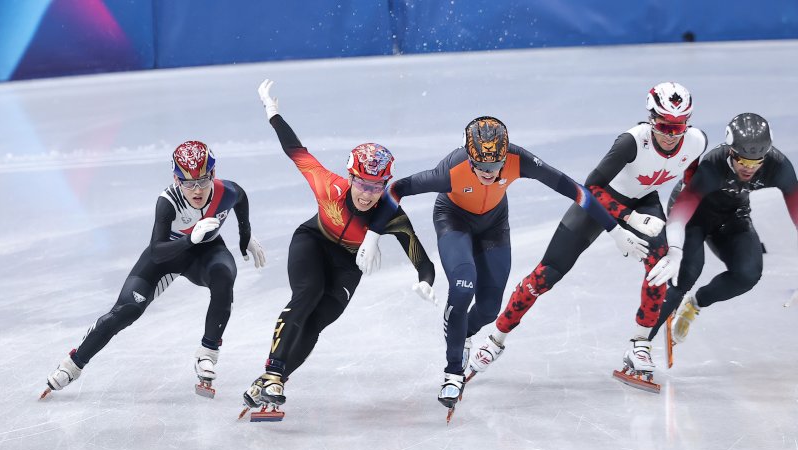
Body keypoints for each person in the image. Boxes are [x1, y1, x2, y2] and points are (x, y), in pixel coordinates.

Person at [356, 115, 648, 413]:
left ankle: (463, 333)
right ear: (469, 158)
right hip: (453, 220)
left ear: (505, 157)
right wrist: (372, 235)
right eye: (480, 166)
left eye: (495, 166)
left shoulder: (519, 160)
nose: (487, 173)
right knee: (463, 286)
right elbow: (397, 189)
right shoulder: (450, 171)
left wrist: (615, 230)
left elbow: (577, 191)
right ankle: (453, 373)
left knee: (489, 309)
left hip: (494, 226)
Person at [469, 83, 708, 390]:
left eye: (679, 127)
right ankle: (495, 339)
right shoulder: (631, 142)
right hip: (599, 202)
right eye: (664, 126)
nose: (671, 135)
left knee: (659, 267)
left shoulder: (696, 142)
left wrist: (675, 247)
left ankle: (640, 344)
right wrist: (626, 221)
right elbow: (590, 188)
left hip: (644, 200)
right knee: (546, 275)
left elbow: (689, 191)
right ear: (651, 119)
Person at [242, 80, 436, 418]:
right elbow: (295, 150)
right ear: (350, 176)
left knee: (318, 321)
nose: (367, 194)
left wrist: (425, 281)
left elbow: (422, 259)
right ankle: (273, 371)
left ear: (385, 185)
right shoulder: (329, 186)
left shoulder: (391, 214)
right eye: (361, 183)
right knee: (307, 294)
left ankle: (273, 381)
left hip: (347, 264)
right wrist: (272, 113)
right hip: (313, 242)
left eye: (376, 186)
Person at [43, 141, 265, 398]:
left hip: (207, 254)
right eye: (188, 183)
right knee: (127, 311)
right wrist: (189, 239)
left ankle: (207, 353)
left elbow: (241, 198)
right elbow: (157, 250)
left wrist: (245, 236)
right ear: (176, 179)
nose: (196, 190)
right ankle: (73, 364)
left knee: (224, 278)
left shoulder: (227, 191)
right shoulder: (168, 202)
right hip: (167, 257)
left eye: (203, 181)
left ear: (213, 174)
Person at [645, 113, 798, 355]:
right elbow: (681, 211)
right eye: (743, 161)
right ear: (731, 152)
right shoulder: (712, 166)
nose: (749, 168)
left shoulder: (778, 166)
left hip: (732, 215)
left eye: (756, 162)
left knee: (748, 274)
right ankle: (640, 346)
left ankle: (695, 305)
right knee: (685, 275)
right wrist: (673, 249)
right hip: (693, 217)